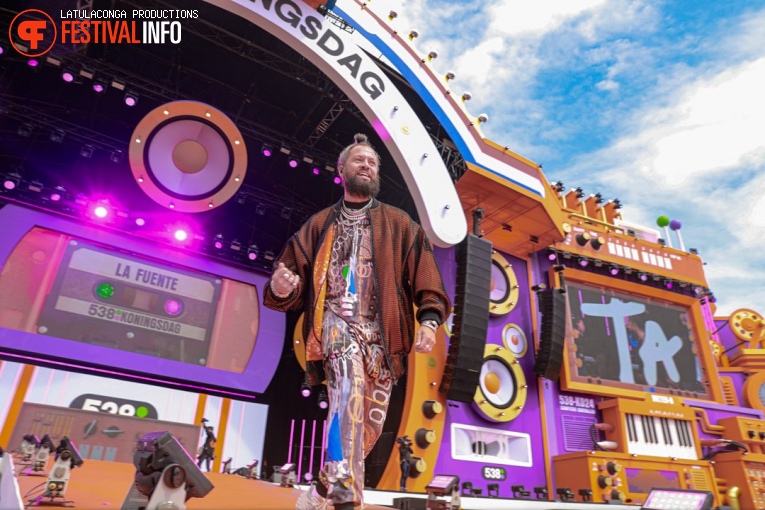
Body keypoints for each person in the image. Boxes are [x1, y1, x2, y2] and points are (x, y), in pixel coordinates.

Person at [264, 133, 451, 510]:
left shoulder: (400, 224)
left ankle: (321, 489)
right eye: (359, 160)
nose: (366, 165)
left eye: (372, 162)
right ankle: (348, 498)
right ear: (341, 170)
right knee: (347, 396)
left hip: (383, 339)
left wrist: (429, 320)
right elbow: (289, 276)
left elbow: (426, 276)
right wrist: (281, 287)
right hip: (336, 324)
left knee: (369, 425)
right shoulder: (317, 225)